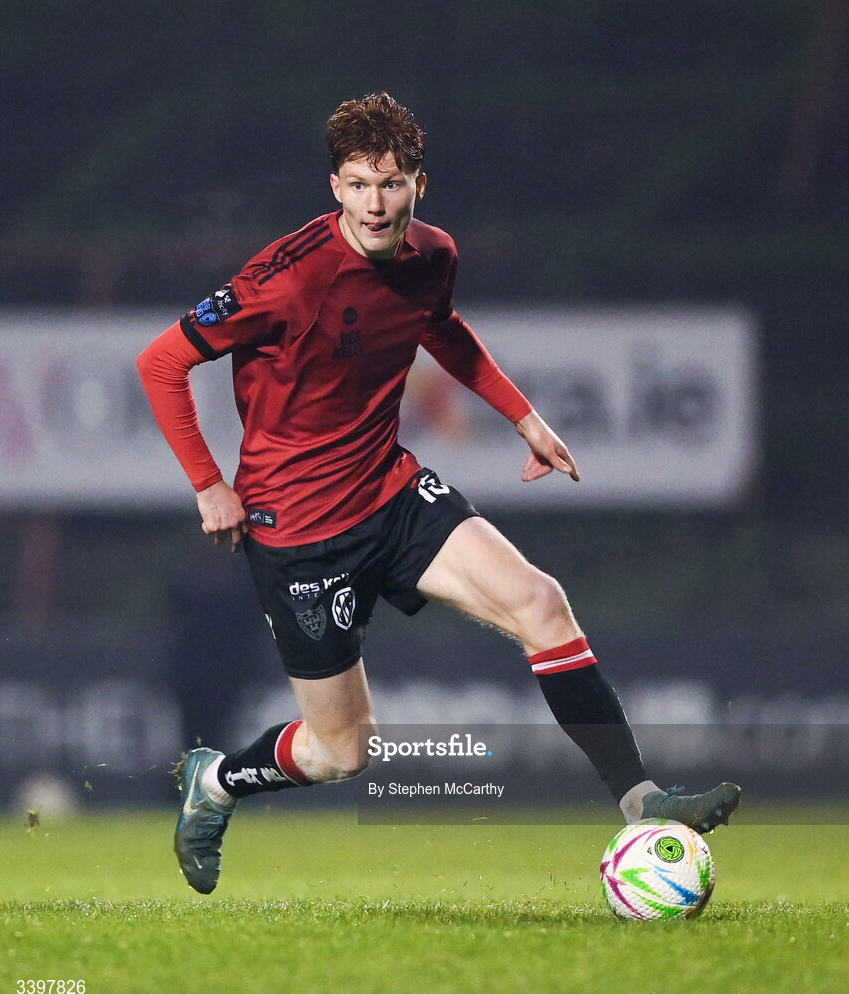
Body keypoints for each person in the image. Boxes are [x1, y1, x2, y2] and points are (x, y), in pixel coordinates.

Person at [137, 93, 740, 895]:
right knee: (342, 752)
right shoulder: (286, 281)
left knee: (540, 603)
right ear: (334, 188)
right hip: (300, 529)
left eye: (390, 185)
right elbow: (160, 362)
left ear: (420, 184)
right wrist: (210, 486)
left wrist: (522, 417)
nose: (374, 205)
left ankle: (641, 800)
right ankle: (216, 784)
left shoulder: (432, 255)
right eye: (356, 186)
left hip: (389, 490)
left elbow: (440, 327)